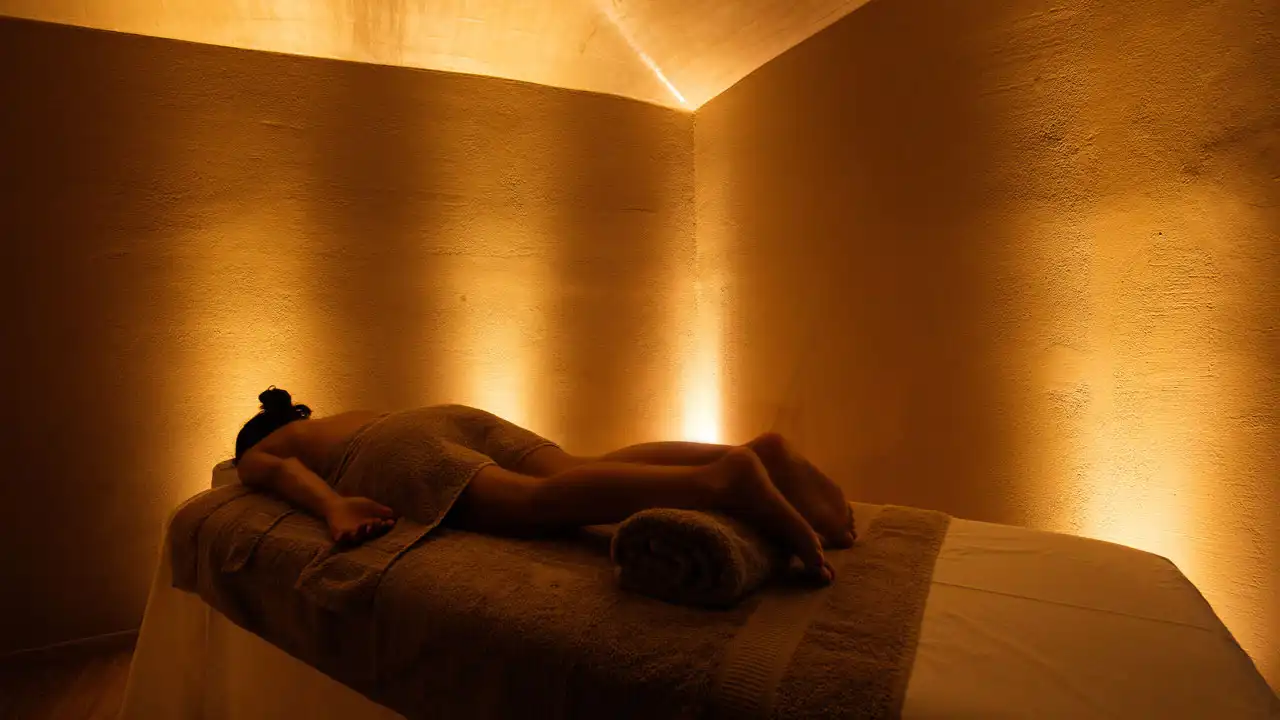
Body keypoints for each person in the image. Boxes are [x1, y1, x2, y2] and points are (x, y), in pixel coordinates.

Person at [234, 387, 854, 583]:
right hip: (445, 416)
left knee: (530, 504)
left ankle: (719, 481)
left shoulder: (263, 448)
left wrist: (334, 506)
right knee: (578, 467)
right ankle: (748, 455)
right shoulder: (343, 416)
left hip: (393, 450)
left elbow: (278, 472)